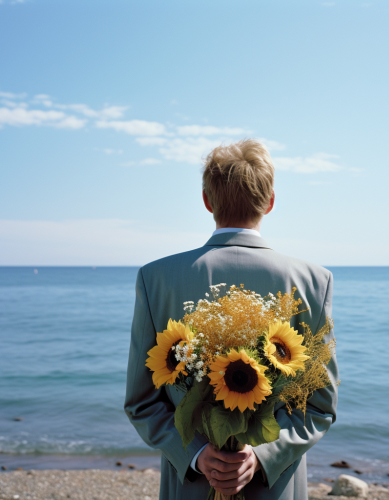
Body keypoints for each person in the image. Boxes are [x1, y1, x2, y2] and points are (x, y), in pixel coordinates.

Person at [124, 139, 338, 500]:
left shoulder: (155, 278)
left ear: (207, 200)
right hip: (275, 486)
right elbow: (319, 406)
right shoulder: (314, 281)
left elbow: (140, 402)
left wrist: (195, 455)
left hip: (190, 486)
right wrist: (260, 456)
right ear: (269, 202)